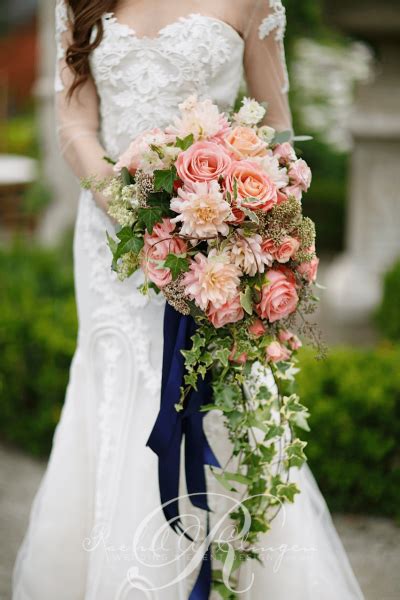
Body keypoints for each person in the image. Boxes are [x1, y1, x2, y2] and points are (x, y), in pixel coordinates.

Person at [13, 1, 364, 598]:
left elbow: (276, 130)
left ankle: (230, 563)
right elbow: (74, 125)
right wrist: (137, 213)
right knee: (120, 382)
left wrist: (248, 228)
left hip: (217, 243)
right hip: (111, 243)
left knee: (219, 393)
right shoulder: (78, 1)